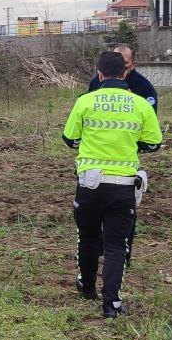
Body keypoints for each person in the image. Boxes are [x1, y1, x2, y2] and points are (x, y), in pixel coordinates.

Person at [63, 51, 162, 318]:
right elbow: (154, 143)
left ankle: (86, 286)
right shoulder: (140, 104)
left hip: (89, 184)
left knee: (88, 237)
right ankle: (111, 304)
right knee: (117, 245)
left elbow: (69, 138)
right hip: (123, 185)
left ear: (99, 74)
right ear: (125, 73)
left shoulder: (85, 101)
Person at [87, 43, 159, 114]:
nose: (118, 65)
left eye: (124, 62)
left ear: (133, 65)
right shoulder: (97, 81)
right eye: (115, 61)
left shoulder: (144, 86)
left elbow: (150, 114)